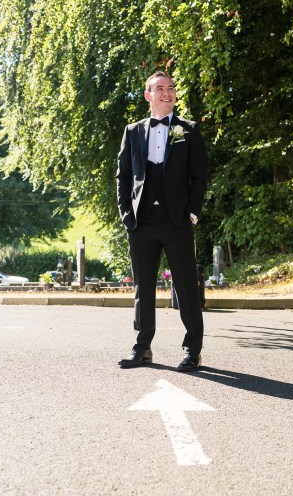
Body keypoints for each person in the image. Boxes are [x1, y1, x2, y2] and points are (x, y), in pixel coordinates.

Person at [116, 71, 208, 371]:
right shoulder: (133, 131)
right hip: (141, 222)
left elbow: (200, 175)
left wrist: (192, 212)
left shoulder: (189, 130)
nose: (166, 92)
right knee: (143, 287)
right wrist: (126, 214)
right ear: (148, 95)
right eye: (159, 88)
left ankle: (192, 351)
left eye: (171, 88)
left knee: (186, 287)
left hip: (177, 221)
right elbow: (124, 176)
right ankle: (142, 348)